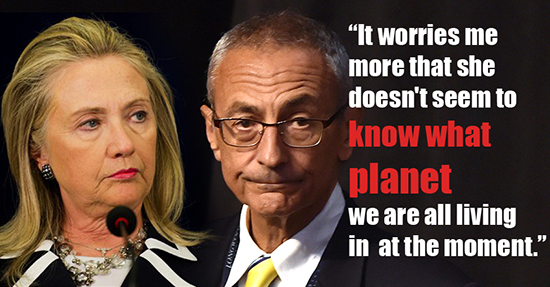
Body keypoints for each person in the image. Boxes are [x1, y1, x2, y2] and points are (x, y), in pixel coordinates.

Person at [186, 11, 478, 286]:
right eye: (244, 123)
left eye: (300, 122)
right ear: (213, 131)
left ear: (348, 132)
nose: (270, 156)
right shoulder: (168, 267)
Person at [0, 17, 203, 287]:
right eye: (91, 123)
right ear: (38, 151)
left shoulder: (216, 268)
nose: (124, 144)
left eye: (138, 115)